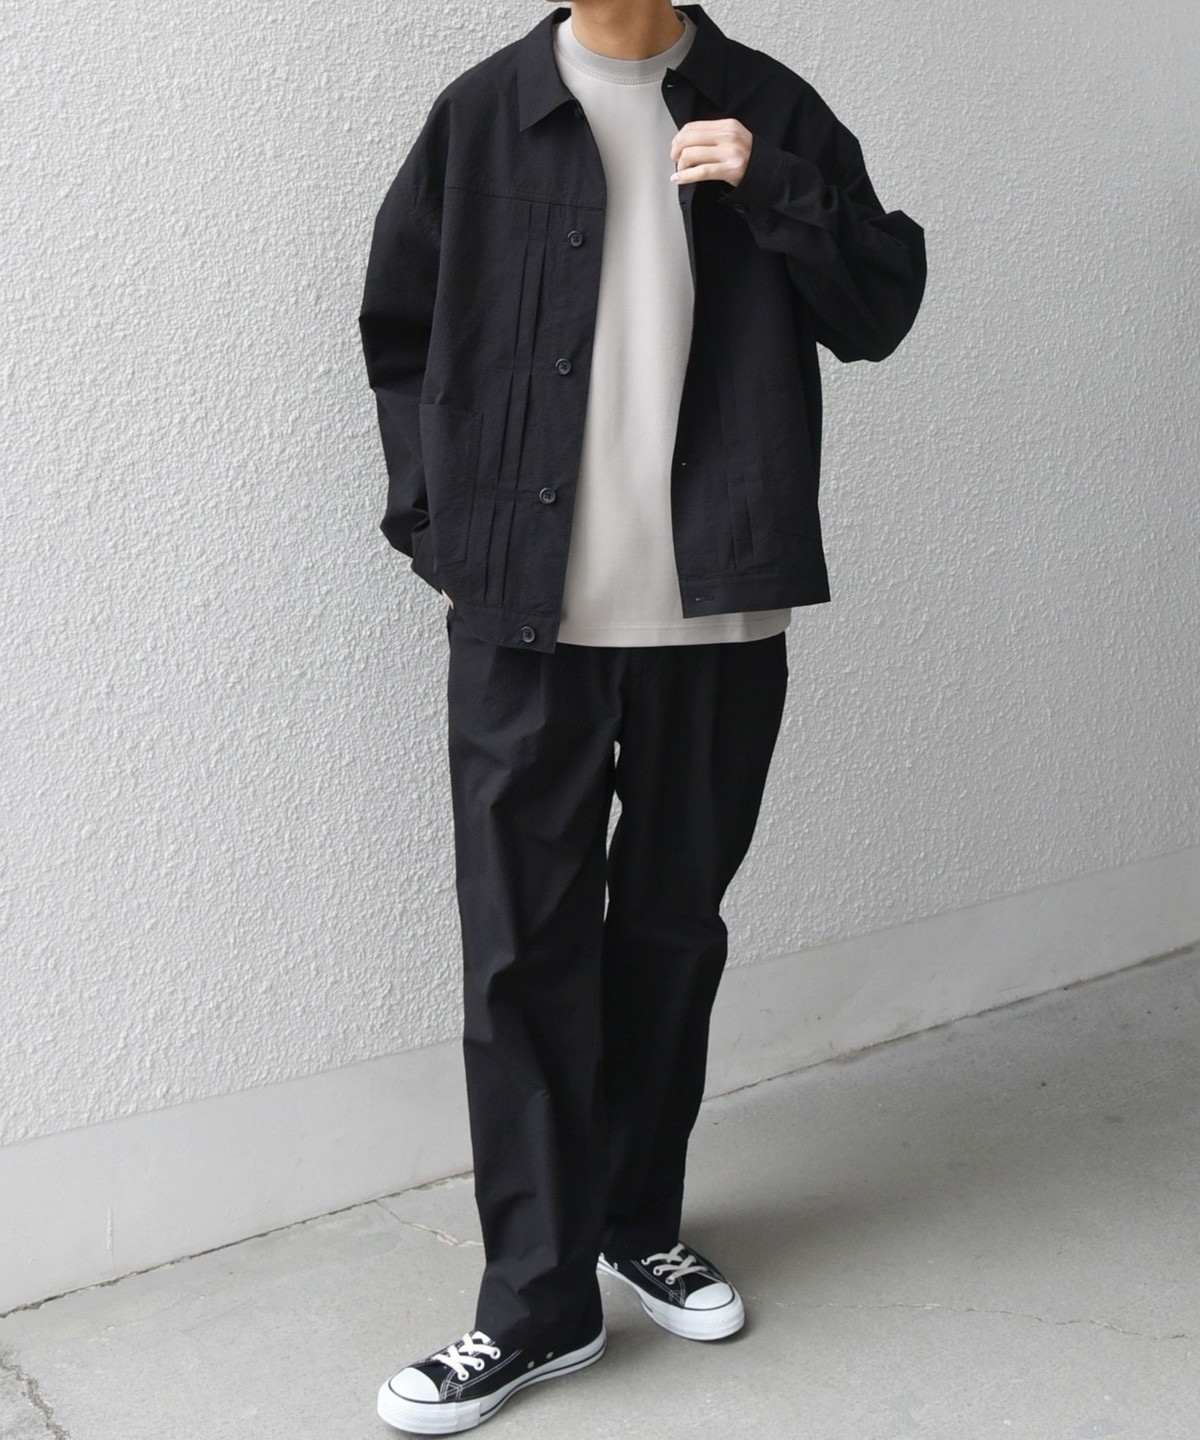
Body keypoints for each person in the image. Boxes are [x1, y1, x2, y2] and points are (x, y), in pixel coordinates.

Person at [358, 2, 926, 1431]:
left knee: (670, 936)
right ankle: (533, 1305)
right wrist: (437, 523)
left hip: (714, 616)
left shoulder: (770, 106)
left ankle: (633, 1222)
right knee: (522, 955)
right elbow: (399, 332)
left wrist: (776, 189)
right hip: (526, 619)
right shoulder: (482, 116)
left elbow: (879, 311)